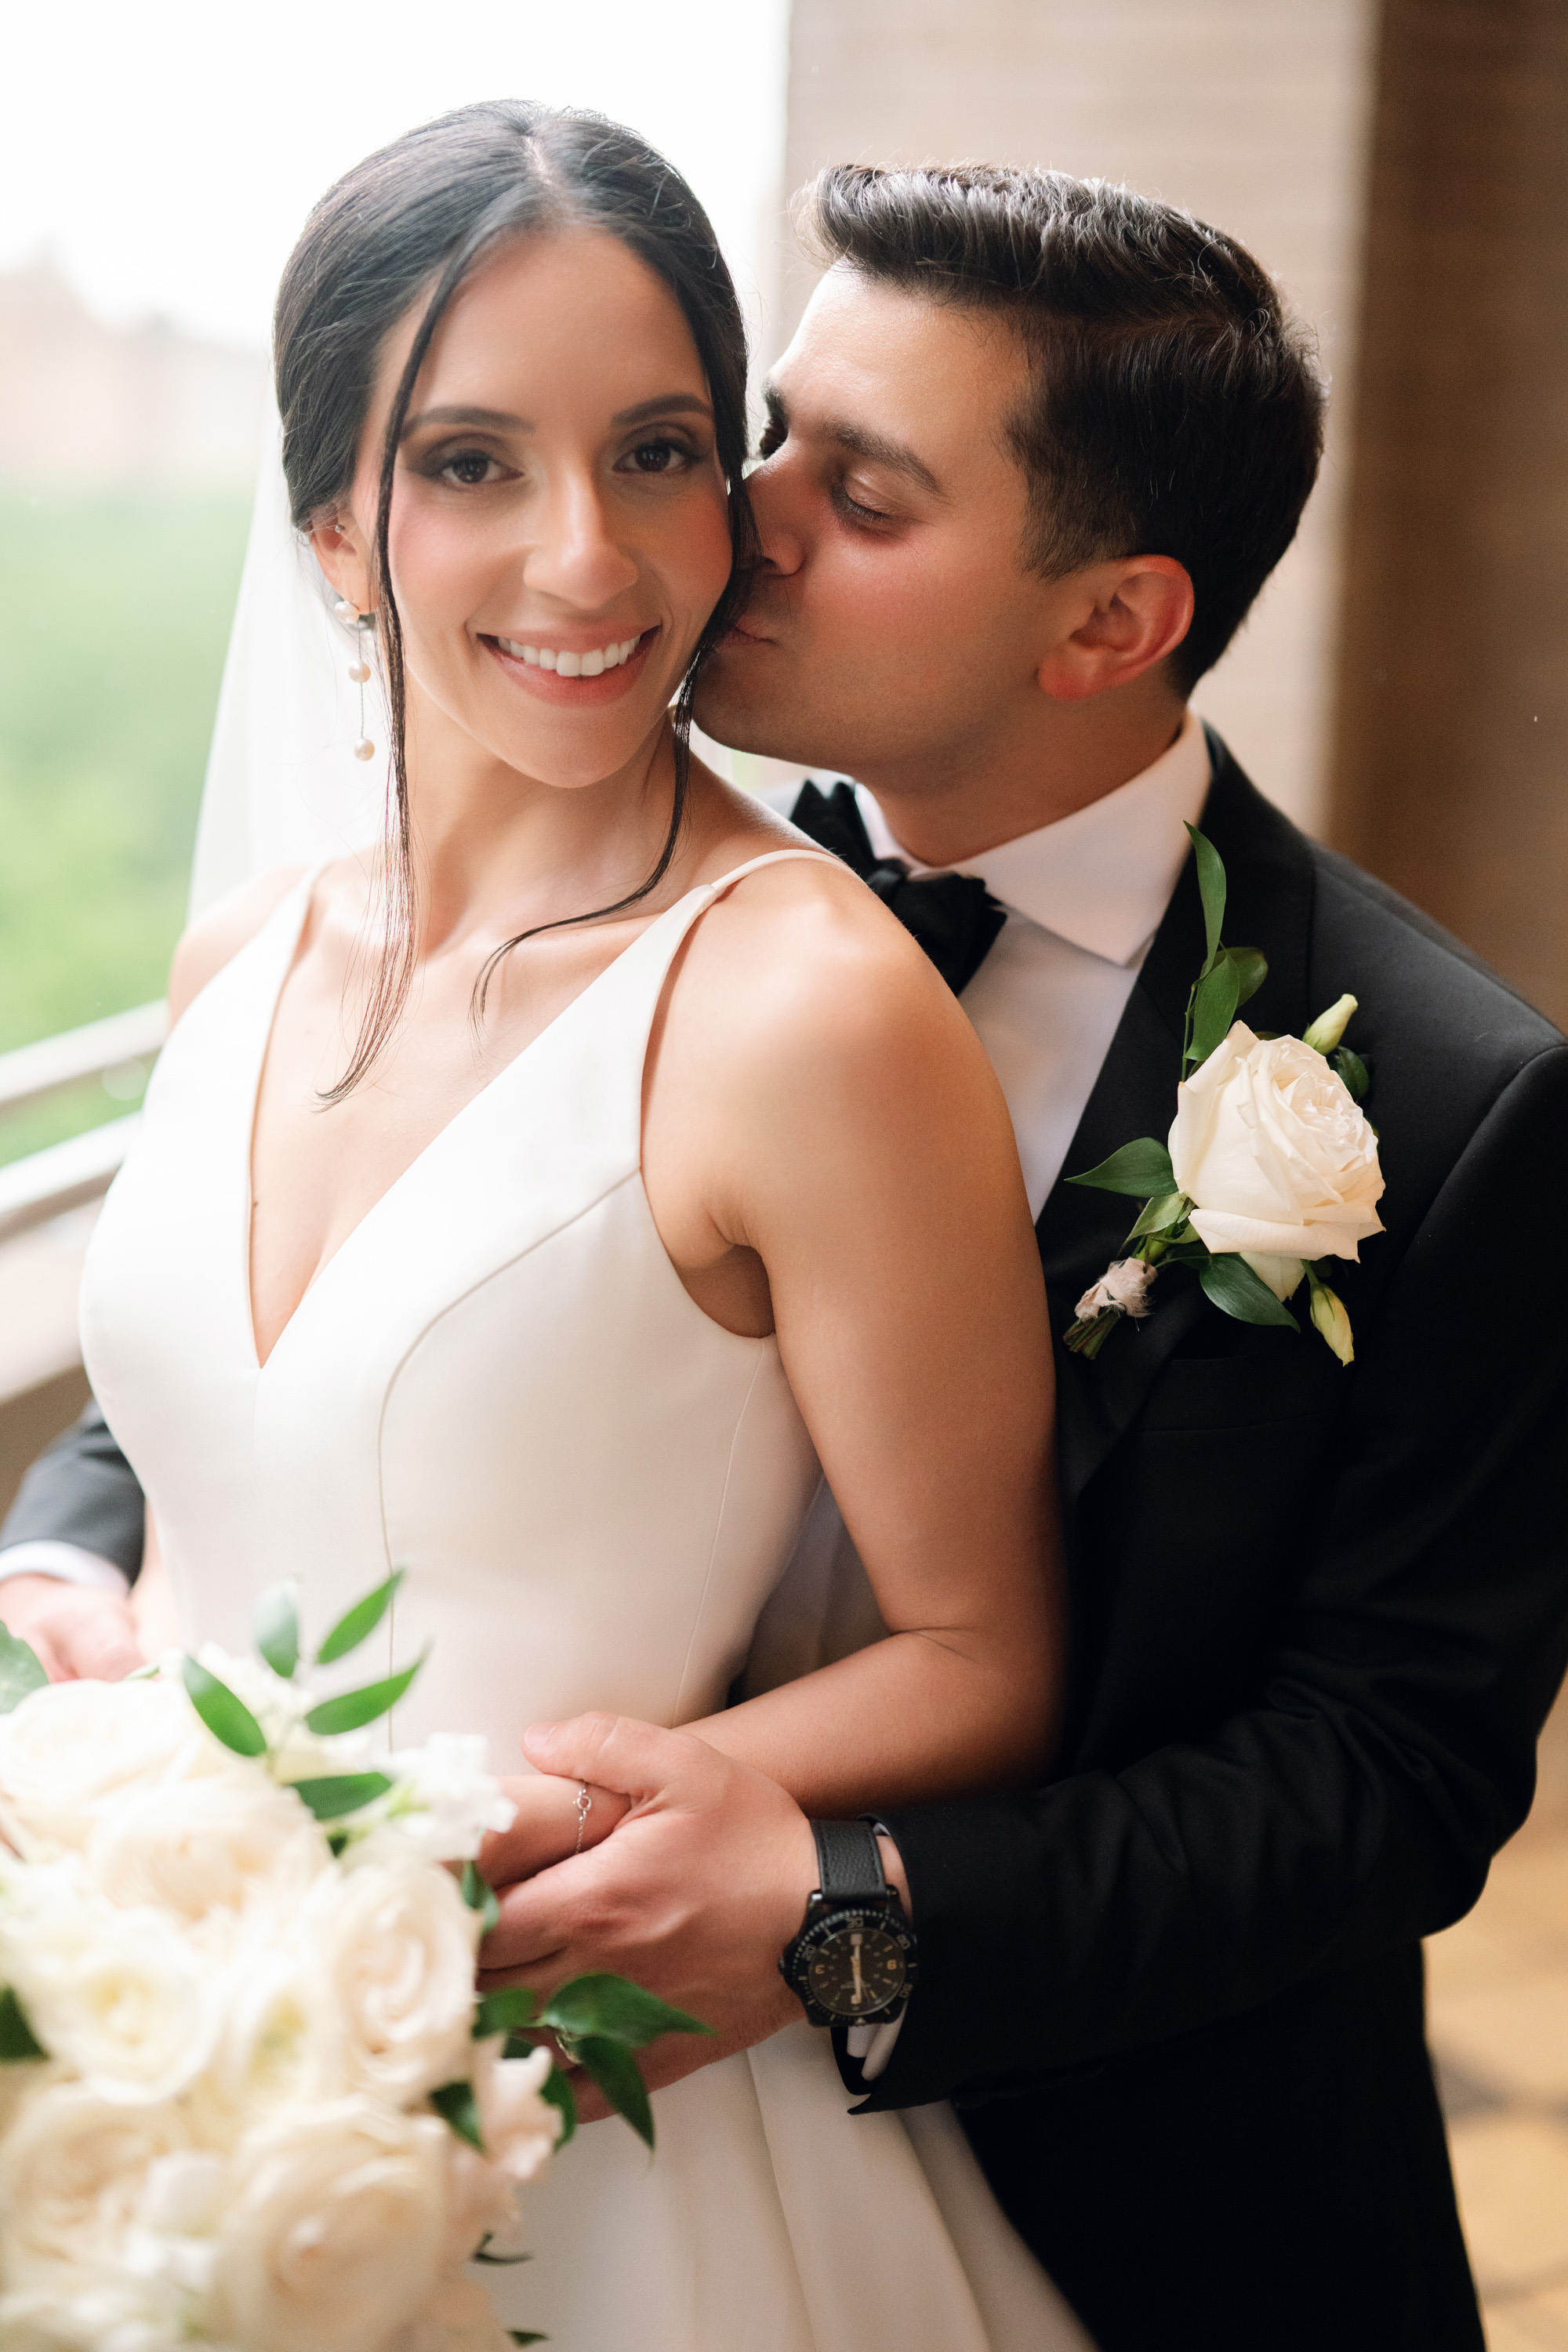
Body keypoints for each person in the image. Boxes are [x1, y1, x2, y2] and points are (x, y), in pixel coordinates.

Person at [5, 151, 1566, 2352]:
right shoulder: (549, 888)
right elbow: (352, 1342)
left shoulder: (1436, 1099)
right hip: (332, 2025)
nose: (727, 523)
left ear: (1109, 621)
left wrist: (841, 1925)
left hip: (1097, 2174)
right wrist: (86, 1545)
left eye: (866, 491)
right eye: (760, 442)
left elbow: (1377, 1788)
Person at [9, 103, 1095, 2352]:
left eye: (663, 450)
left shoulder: (800, 1009)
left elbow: (986, 1654)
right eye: (474, 462)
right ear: (332, 520)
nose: (592, 559)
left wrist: (569, 1812)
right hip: (164, 2056)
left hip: (597, 2106)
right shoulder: (238, 961)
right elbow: (218, 1465)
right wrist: (75, 1598)